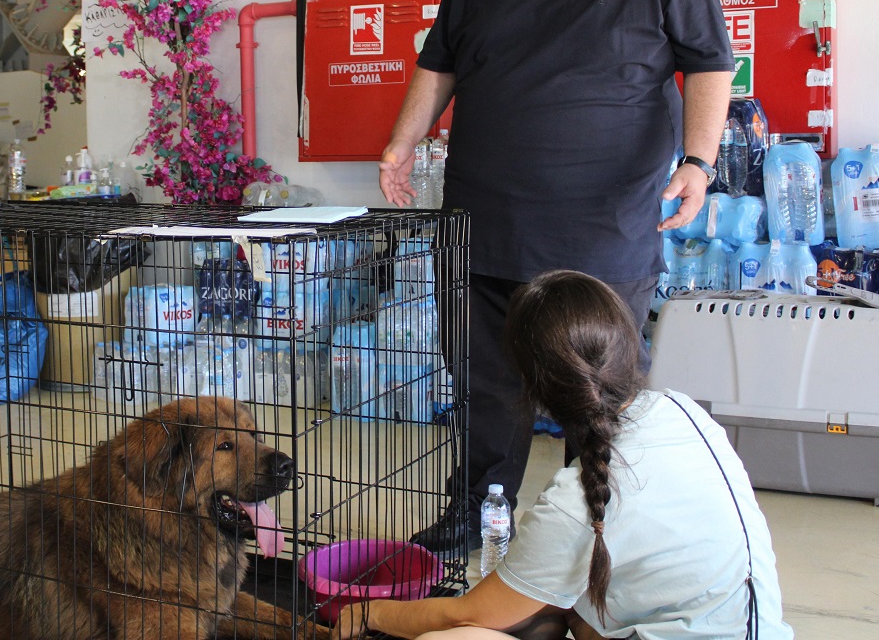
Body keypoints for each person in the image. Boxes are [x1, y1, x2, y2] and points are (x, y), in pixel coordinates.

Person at [379, 0, 735, 555]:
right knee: (484, 386)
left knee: (595, 395)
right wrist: (403, 140)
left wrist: (699, 160)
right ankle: (474, 514)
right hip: (486, 223)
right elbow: (439, 60)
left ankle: (596, 525)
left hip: (599, 233)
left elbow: (709, 62)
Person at [335, 270, 794, 640]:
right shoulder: (683, 409)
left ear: (531, 386)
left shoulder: (575, 504)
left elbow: (465, 615)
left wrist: (371, 613)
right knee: (550, 605)